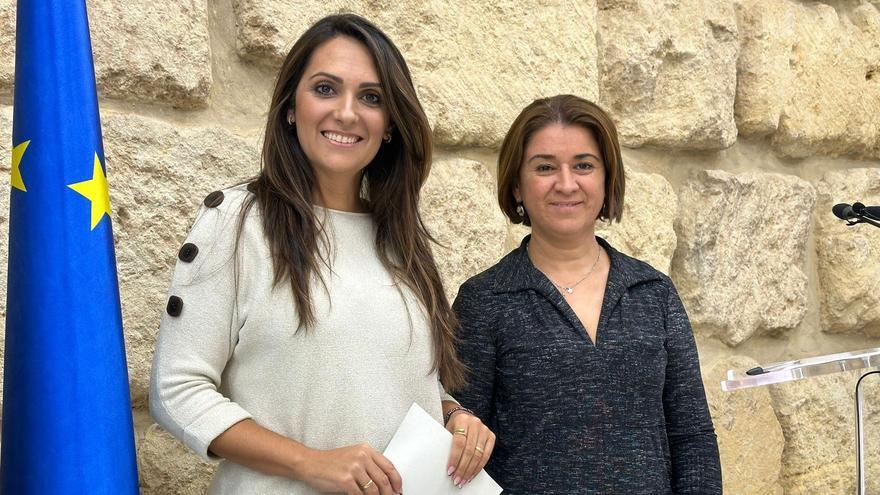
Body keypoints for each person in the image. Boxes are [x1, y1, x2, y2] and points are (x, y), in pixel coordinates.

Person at [150, 14, 494, 495]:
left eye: (371, 97)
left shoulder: (400, 239)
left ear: (391, 124)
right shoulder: (238, 222)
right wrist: (309, 463)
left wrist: (455, 416)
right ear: (292, 106)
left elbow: (383, 383)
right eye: (326, 89)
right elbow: (177, 392)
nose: (347, 113)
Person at [450, 94, 722, 494]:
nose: (566, 183)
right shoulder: (486, 299)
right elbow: (460, 441)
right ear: (517, 186)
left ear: (607, 178)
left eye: (583, 165)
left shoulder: (653, 293)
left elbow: (692, 437)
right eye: (544, 167)